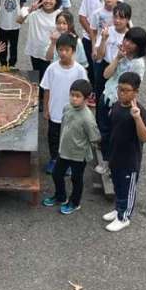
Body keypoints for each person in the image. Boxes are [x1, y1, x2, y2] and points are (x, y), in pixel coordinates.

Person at [42, 79, 100, 215]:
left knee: (76, 179)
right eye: (72, 95)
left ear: (86, 98)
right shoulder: (67, 108)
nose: (74, 98)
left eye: (78, 96)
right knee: (56, 174)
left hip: (79, 155)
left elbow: (95, 137)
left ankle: (75, 202)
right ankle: (60, 197)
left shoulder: (87, 118)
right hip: (64, 151)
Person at [95, 27, 146, 174]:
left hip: (119, 103)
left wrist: (124, 105)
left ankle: (109, 163)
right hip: (107, 95)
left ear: (139, 46)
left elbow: (134, 88)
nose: (127, 43)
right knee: (104, 129)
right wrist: (117, 59)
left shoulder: (138, 64)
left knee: (115, 134)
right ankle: (106, 158)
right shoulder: (121, 54)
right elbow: (106, 75)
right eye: (126, 39)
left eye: (132, 42)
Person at [102, 72, 146, 232]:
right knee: (117, 186)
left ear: (136, 92)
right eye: (120, 89)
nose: (121, 93)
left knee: (127, 189)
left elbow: (145, 137)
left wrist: (137, 118)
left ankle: (124, 217)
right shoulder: (116, 105)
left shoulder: (140, 111)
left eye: (126, 90)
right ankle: (118, 209)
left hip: (130, 161)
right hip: (115, 156)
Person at [40, 34, 88, 173]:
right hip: (55, 111)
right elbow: (47, 89)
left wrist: (82, 110)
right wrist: (46, 109)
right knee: (53, 137)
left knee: (70, 138)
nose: (63, 53)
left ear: (73, 51)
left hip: (73, 113)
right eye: (60, 50)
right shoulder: (52, 68)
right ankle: (54, 159)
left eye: (67, 50)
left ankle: (68, 163)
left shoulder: (79, 70)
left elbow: (85, 92)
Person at [20, 0, 62, 108]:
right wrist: (30, 10)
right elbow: (19, 20)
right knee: (38, 74)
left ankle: (46, 100)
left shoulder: (59, 14)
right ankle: (40, 98)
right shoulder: (34, 13)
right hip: (35, 50)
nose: (48, 1)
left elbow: (66, 29)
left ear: (56, 0)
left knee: (47, 76)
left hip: (50, 52)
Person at [78, 0, 114, 93]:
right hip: (89, 39)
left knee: (107, 69)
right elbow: (82, 17)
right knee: (91, 71)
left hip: (109, 41)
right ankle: (93, 94)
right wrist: (94, 35)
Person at [89, 0, 123, 104]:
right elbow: (93, 32)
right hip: (101, 49)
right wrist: (94, 48)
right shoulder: (97, 13)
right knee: (99, 82)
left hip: (117, 53)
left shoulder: (122, 13)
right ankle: (99, 106)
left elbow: (129, 30)